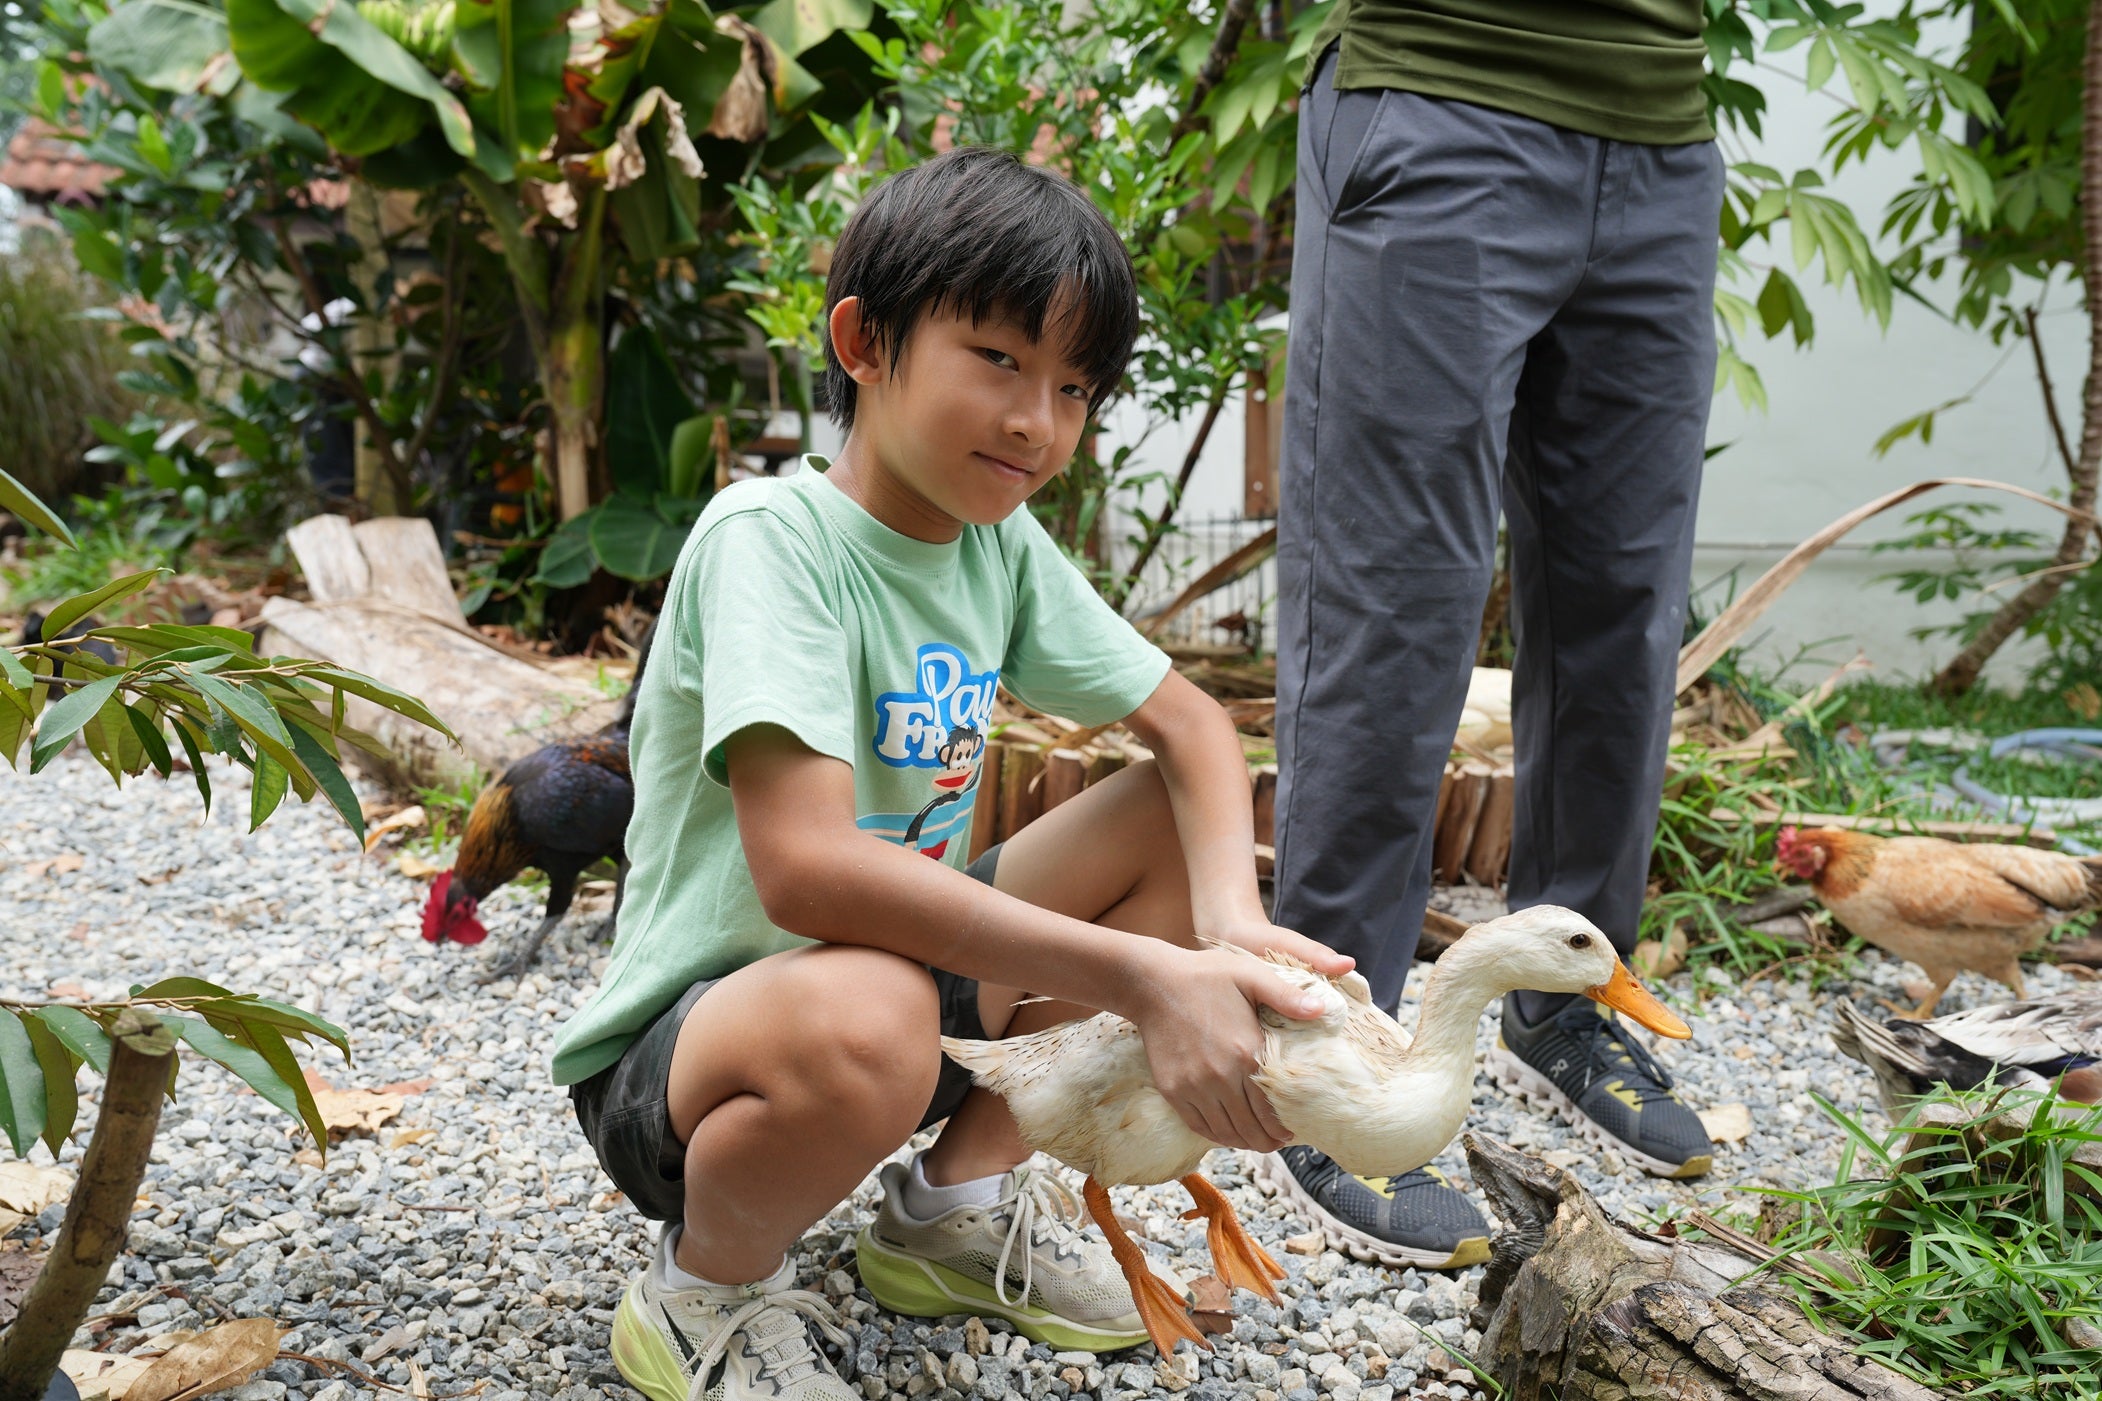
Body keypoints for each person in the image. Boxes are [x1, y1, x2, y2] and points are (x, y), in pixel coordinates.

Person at [550, 146, 1352, 1401]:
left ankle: (951, 1208)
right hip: (701, 1053)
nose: (1038, 421)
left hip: (898, 1008)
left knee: (1152, 827)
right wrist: (1149, 979)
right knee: (873, 1005)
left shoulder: (998, 547)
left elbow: (1193, 730)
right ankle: (704, 1284)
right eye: (1000, 360)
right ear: (864, 343)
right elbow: (806, 872)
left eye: (1075, 387)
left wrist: (1230, 933)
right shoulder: (774, 539)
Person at [1259, 0, 1724, 1269]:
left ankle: (1558, 998)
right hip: (1441, 89)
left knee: (1621, 599)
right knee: (1393, 597)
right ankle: (1324, 1050)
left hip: (1658, 125)